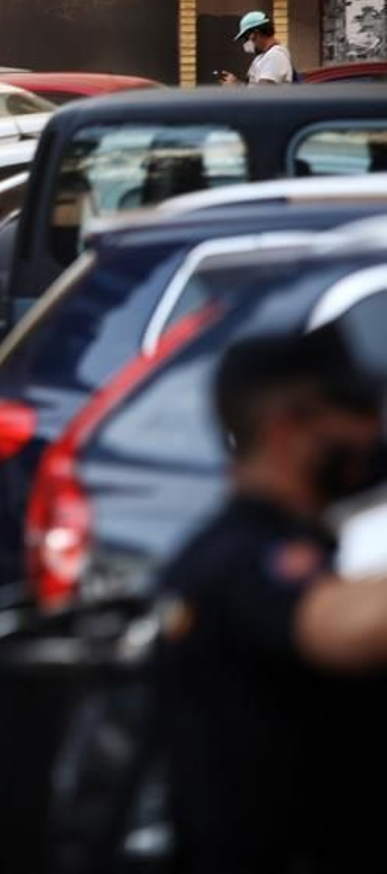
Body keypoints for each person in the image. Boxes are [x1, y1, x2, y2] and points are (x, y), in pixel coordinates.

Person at [158, 328, 387, 874]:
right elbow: (337, 628)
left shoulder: (299, 545)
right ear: (287, 430)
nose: (373, 432)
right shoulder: (233, 559)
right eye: (357, 413)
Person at [219, 10, 295, 85]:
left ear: (255, 33)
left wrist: (236, 88)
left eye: (246, 38)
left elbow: (262, 91)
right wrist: (237, 84)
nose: (245, 43)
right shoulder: (263, 57)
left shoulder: (275, 56)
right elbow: (253, 88)